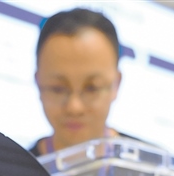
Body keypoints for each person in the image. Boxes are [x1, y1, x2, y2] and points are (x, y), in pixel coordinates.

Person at [29, 8, 130, 157]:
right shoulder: (13, 169)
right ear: (38, 83)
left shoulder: (153, 167)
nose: (74, 107)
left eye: (92, 88)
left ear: (116, 84)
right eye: (58, 89)